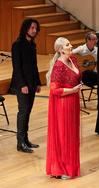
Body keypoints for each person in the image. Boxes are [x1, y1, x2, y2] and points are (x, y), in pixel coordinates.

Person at [46, 37, 82, 179]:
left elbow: (76, 77)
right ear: (60, 50)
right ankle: (62, 168)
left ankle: (69, 166)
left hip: (73, 101)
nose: (71, 46)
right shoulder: (59, 66)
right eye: (67, 45)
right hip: (63, 104)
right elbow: (54, 90)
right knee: (64, 135)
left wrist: (78, 86)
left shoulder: (73, 60)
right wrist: (73, 90)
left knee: (72, 135)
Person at [10, 18, 41, 153]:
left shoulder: (32, 45)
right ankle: (20, 142)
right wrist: (22, 84)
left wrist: (38, 82)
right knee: (23, 111)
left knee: (28, 111)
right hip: (21, 83)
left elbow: (34, 66)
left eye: (35, 28)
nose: (34, 30)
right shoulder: (17, 45)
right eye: (31, 28)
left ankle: (26, 139)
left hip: (32, 83)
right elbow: (16, 67)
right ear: (26, 28)